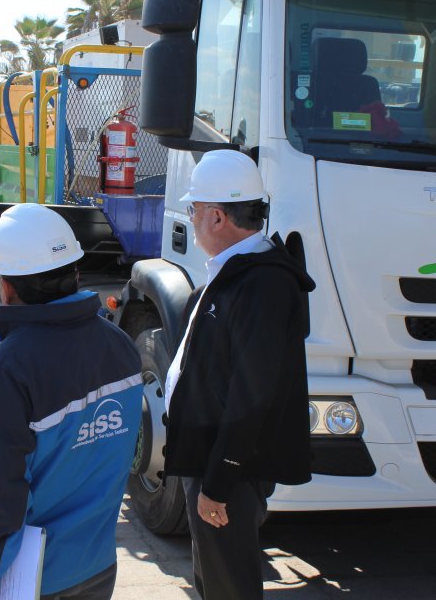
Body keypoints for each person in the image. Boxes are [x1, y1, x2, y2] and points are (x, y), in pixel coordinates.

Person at [0, 203, 143, 600]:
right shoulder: (123, 348)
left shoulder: (7, 372)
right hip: (96, 568)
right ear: (75, 274)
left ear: (4, 286)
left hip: (32, 581)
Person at [162, 150, 316, 599]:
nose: (189, 220)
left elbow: (252, 396)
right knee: (213, 577)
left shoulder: (262, 285)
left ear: (215, 217)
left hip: (228, 472)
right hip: (210, 461)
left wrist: (218, 484)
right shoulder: (237, 271)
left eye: (193, 210)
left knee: (230, 584)